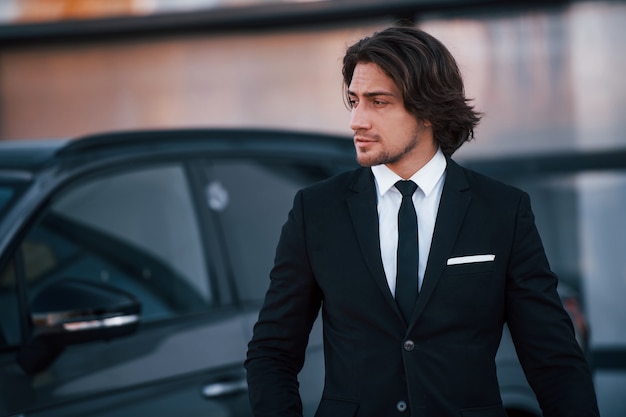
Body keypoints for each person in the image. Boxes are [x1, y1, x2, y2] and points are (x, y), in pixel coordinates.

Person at [245, 25, 599, 417]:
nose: (357, 120)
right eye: (354, 101)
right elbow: (272, 353)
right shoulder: (317, 210)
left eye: (378, 102)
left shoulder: (502, 210)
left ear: (429, 109)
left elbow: (554, 360)